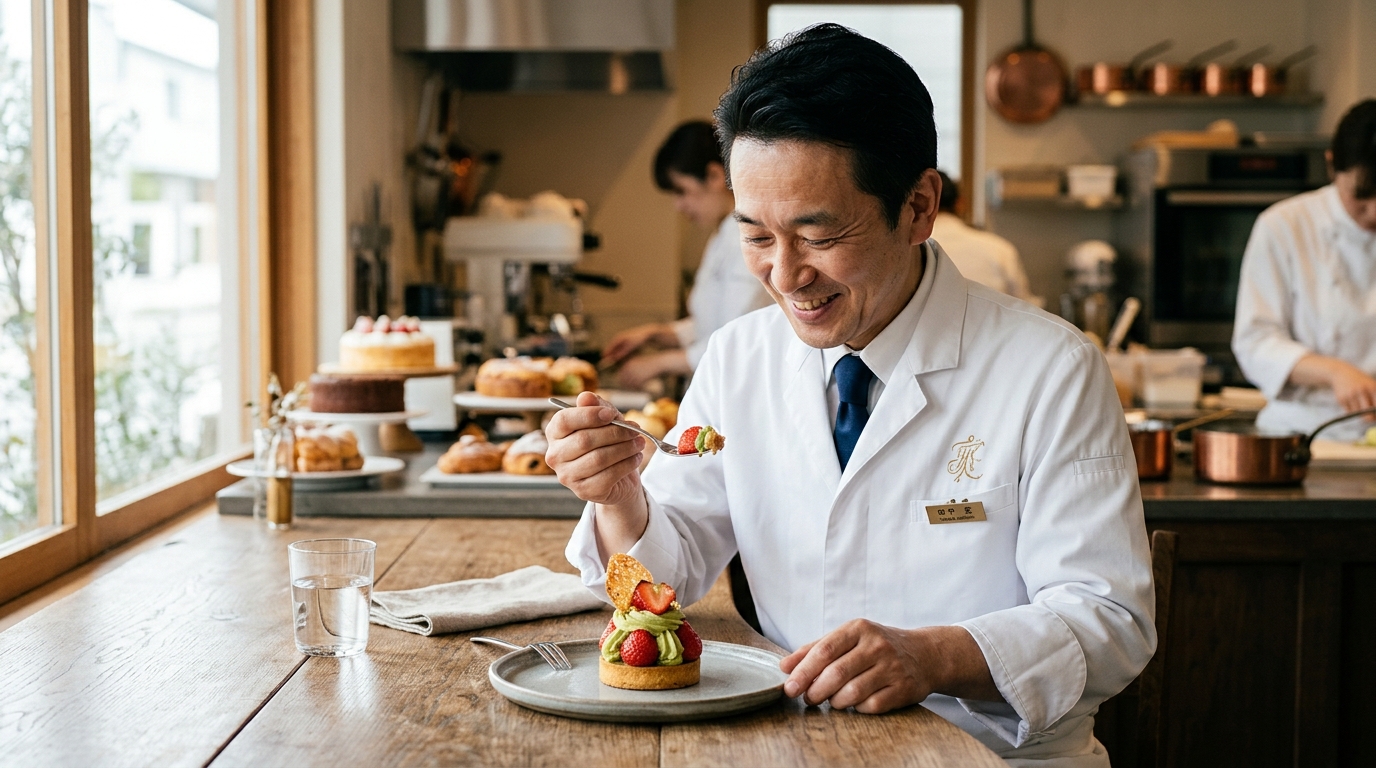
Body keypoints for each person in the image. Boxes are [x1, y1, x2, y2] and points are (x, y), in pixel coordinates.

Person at [547, 25, 1153, 766]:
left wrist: (937, 656)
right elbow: (662, 580)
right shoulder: (741, 358)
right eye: (757, 237)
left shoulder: (1051, 368)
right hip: (793, 743)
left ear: (919, 206)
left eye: (819, 234)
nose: (785, 274)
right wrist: (617, 497)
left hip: (992, 755)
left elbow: (1109, 622)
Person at [1233, 99, 1376, 441]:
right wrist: (1335, 373)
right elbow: (1255, 341)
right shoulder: (1285, 225)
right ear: (1331, 165)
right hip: (1304, 433)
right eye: (1362, 196)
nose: (1375, 213)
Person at [600, 121, 773, 389]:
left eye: (681, 191)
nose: (678, 205)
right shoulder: (722, 235)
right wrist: (656, 334)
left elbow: (736, 336)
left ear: (715, 176)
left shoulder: (747, 236)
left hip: (742, 387)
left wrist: (659, 363)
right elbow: (713, 320)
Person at [930, 171, 1036, 302]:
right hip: (993, 321)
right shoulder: (999, 249)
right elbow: (1023, 308)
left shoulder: (913, 250)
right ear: (960, 204)